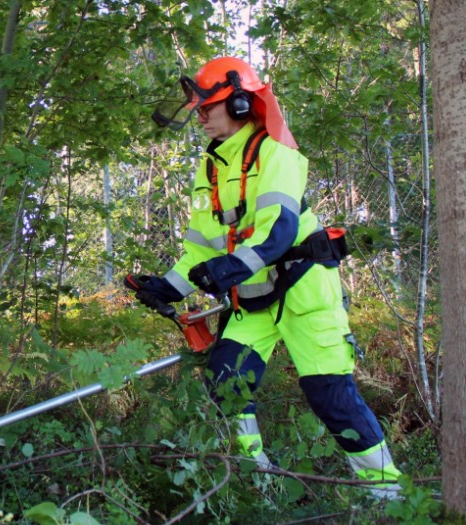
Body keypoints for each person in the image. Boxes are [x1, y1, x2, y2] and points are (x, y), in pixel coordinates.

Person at [127, 56, 401, 498]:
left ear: (239, 104)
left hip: (303, 288)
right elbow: (202, 248)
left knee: (331, 394)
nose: (200, 118)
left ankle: (389, 497)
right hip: (251, 298)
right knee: (227, 382)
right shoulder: (211, 167)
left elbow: (279, 232)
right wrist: (168, 286)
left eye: (206, 108)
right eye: (197, 109)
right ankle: (258, 486)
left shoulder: (277, 153)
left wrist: (226, 270)